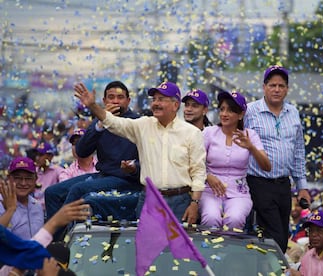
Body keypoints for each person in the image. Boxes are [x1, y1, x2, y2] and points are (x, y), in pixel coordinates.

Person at [74, 81, 206, 224]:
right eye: (154, 99)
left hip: (181, 201)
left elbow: (198, 171)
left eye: (161, 99)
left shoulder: (191, 133)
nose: (155, 103)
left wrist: (194, 203)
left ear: (175, 105)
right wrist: (93, 106)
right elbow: (113, 122)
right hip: (149, 199)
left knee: (178, 246)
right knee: (147, 246)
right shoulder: (143, 125)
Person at [45, 81, 141, 234]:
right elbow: (82, 151)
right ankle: (54, 238)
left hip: (126, 179)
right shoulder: (100, 121)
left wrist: (133, 166)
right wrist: (99, 125)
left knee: (78, 189)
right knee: (52, 192)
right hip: (103, 176)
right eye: (111, 97)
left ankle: (57, 241)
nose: (115, 101)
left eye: (120, 97)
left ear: (128, 101)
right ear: (104, 101)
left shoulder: (137, 122)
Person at [244, 65, 311, 253]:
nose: (276, 90)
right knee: (275, 236)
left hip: (283, 185)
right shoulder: (250, 111)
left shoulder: (293, 113)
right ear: (264, 87)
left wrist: (302, 186)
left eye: (281, 86)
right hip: (258, 182)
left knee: (281, 235)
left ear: (287, 89)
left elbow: (298, 151)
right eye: (272, 85)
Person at [199, 91, 271, 230]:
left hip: (239, 193)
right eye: (222, 109)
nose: (224, 114)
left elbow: (267, 166)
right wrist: (207, 176)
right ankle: (208, 252)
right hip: (210, 190)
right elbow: (195, 163)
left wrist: (251, 147)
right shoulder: (209, 133)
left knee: (234, 219)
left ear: (241, 114)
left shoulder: (250, 135)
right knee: (211, 218)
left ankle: (228, 252)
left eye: (230, 110)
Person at [0, 157, 43, 240]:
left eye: (28, 178)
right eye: (17, 178)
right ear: (9, 178)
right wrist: (10, 210)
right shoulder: (1, 203)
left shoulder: (36, 205)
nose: (23, 183)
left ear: (35, 179)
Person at [34, 142, 64, 210]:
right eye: (37, 155)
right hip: (34, 209)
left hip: (51, 210)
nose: (37, 158)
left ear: (50, 157)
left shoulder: (59, 171)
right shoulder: (34, 171)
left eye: (41, 155)